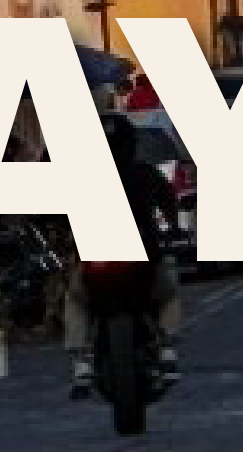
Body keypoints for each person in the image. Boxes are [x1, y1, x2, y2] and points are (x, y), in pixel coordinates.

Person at [66, 118, 181, 399]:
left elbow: (60, 212)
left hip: (98, 262)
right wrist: (173, 227)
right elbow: (169, 202)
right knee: (169, 290)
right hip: (141, 263)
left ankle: (81, 360)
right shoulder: (145, 173)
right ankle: (167, 346)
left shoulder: (83, 178)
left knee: (75, 298)